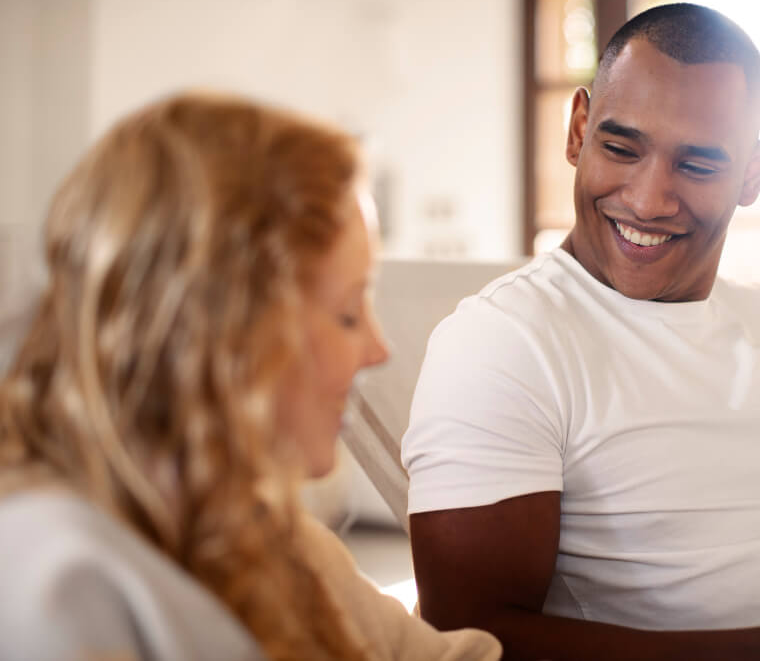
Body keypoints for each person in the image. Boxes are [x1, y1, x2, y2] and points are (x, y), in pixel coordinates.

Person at [401, 3, 760, 660]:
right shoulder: (506, 341)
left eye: (698, 164)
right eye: (621, 147)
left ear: (752, 171)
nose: (649, 199)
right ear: (578, 129)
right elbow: (469, 639)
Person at [0, 93, 501, 661]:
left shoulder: (264, 531)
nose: (378, 349)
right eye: (346, 312)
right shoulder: (59, 587)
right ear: (224, 330)